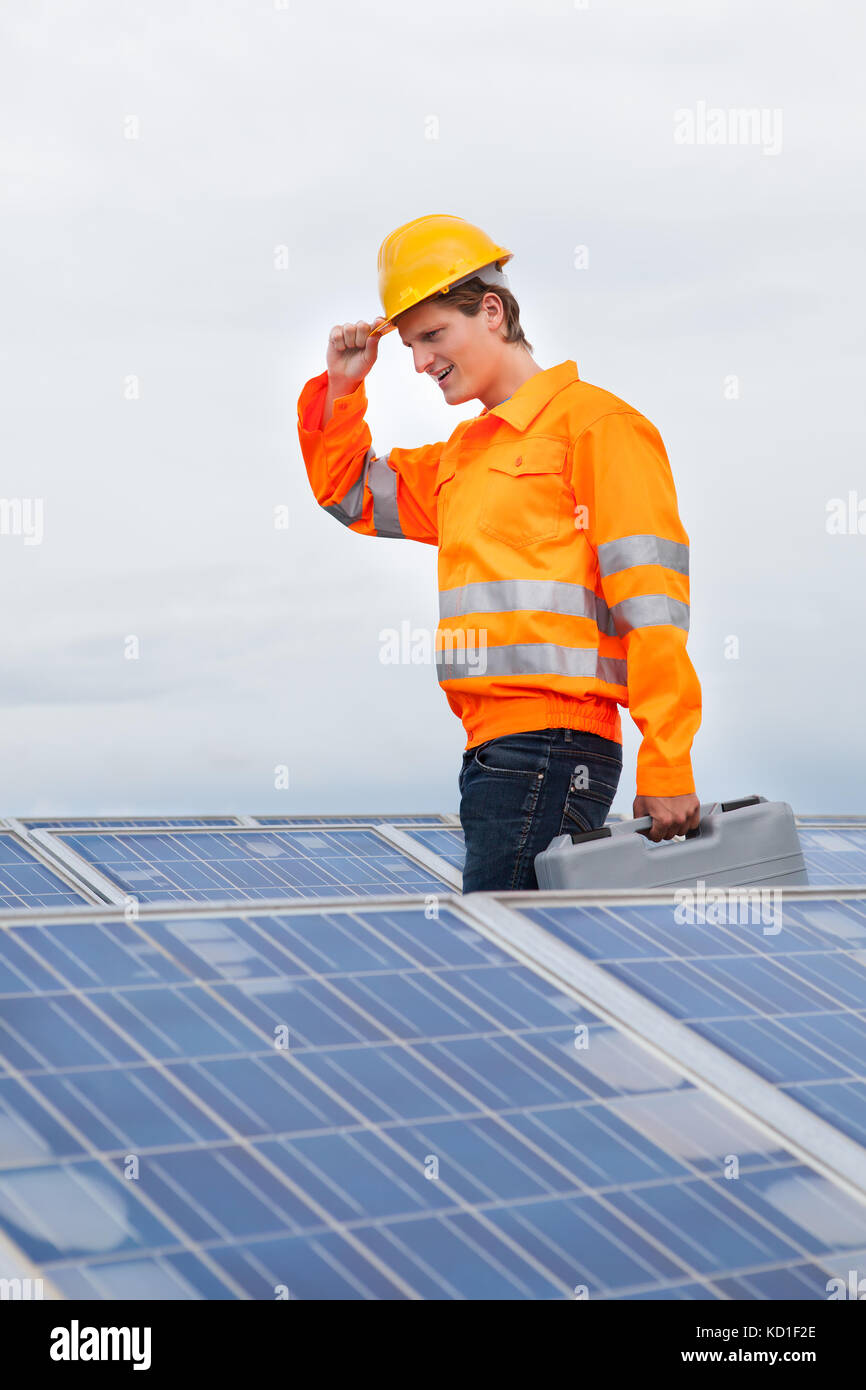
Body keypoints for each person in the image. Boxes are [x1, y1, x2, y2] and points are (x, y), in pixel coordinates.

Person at [297, 214, 702, 892]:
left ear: (491, 311)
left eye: (434, 335)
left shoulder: (599, 427)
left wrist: (666, 764)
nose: (422, 360)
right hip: (494, 751)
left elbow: (652, 605)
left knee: (503, 962)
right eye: (412, 345)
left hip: (553, 745)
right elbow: (349, 493)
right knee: (520, 967)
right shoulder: (461, 459)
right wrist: (343, 389)